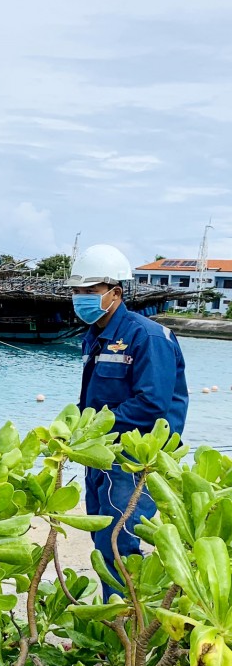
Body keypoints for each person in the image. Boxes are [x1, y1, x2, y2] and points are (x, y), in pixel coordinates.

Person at [65, 244, 187, 592]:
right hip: (100, 454)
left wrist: (93, 426)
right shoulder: (97, 336)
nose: (80, 298)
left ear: (115, 293)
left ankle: (129, 635)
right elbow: (93, 398)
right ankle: (113, 627)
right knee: (103, 540)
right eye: (76, 291)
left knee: (122, 545)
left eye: (89, 291)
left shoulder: (147, 337)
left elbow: (153, 405)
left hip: (133, 460)